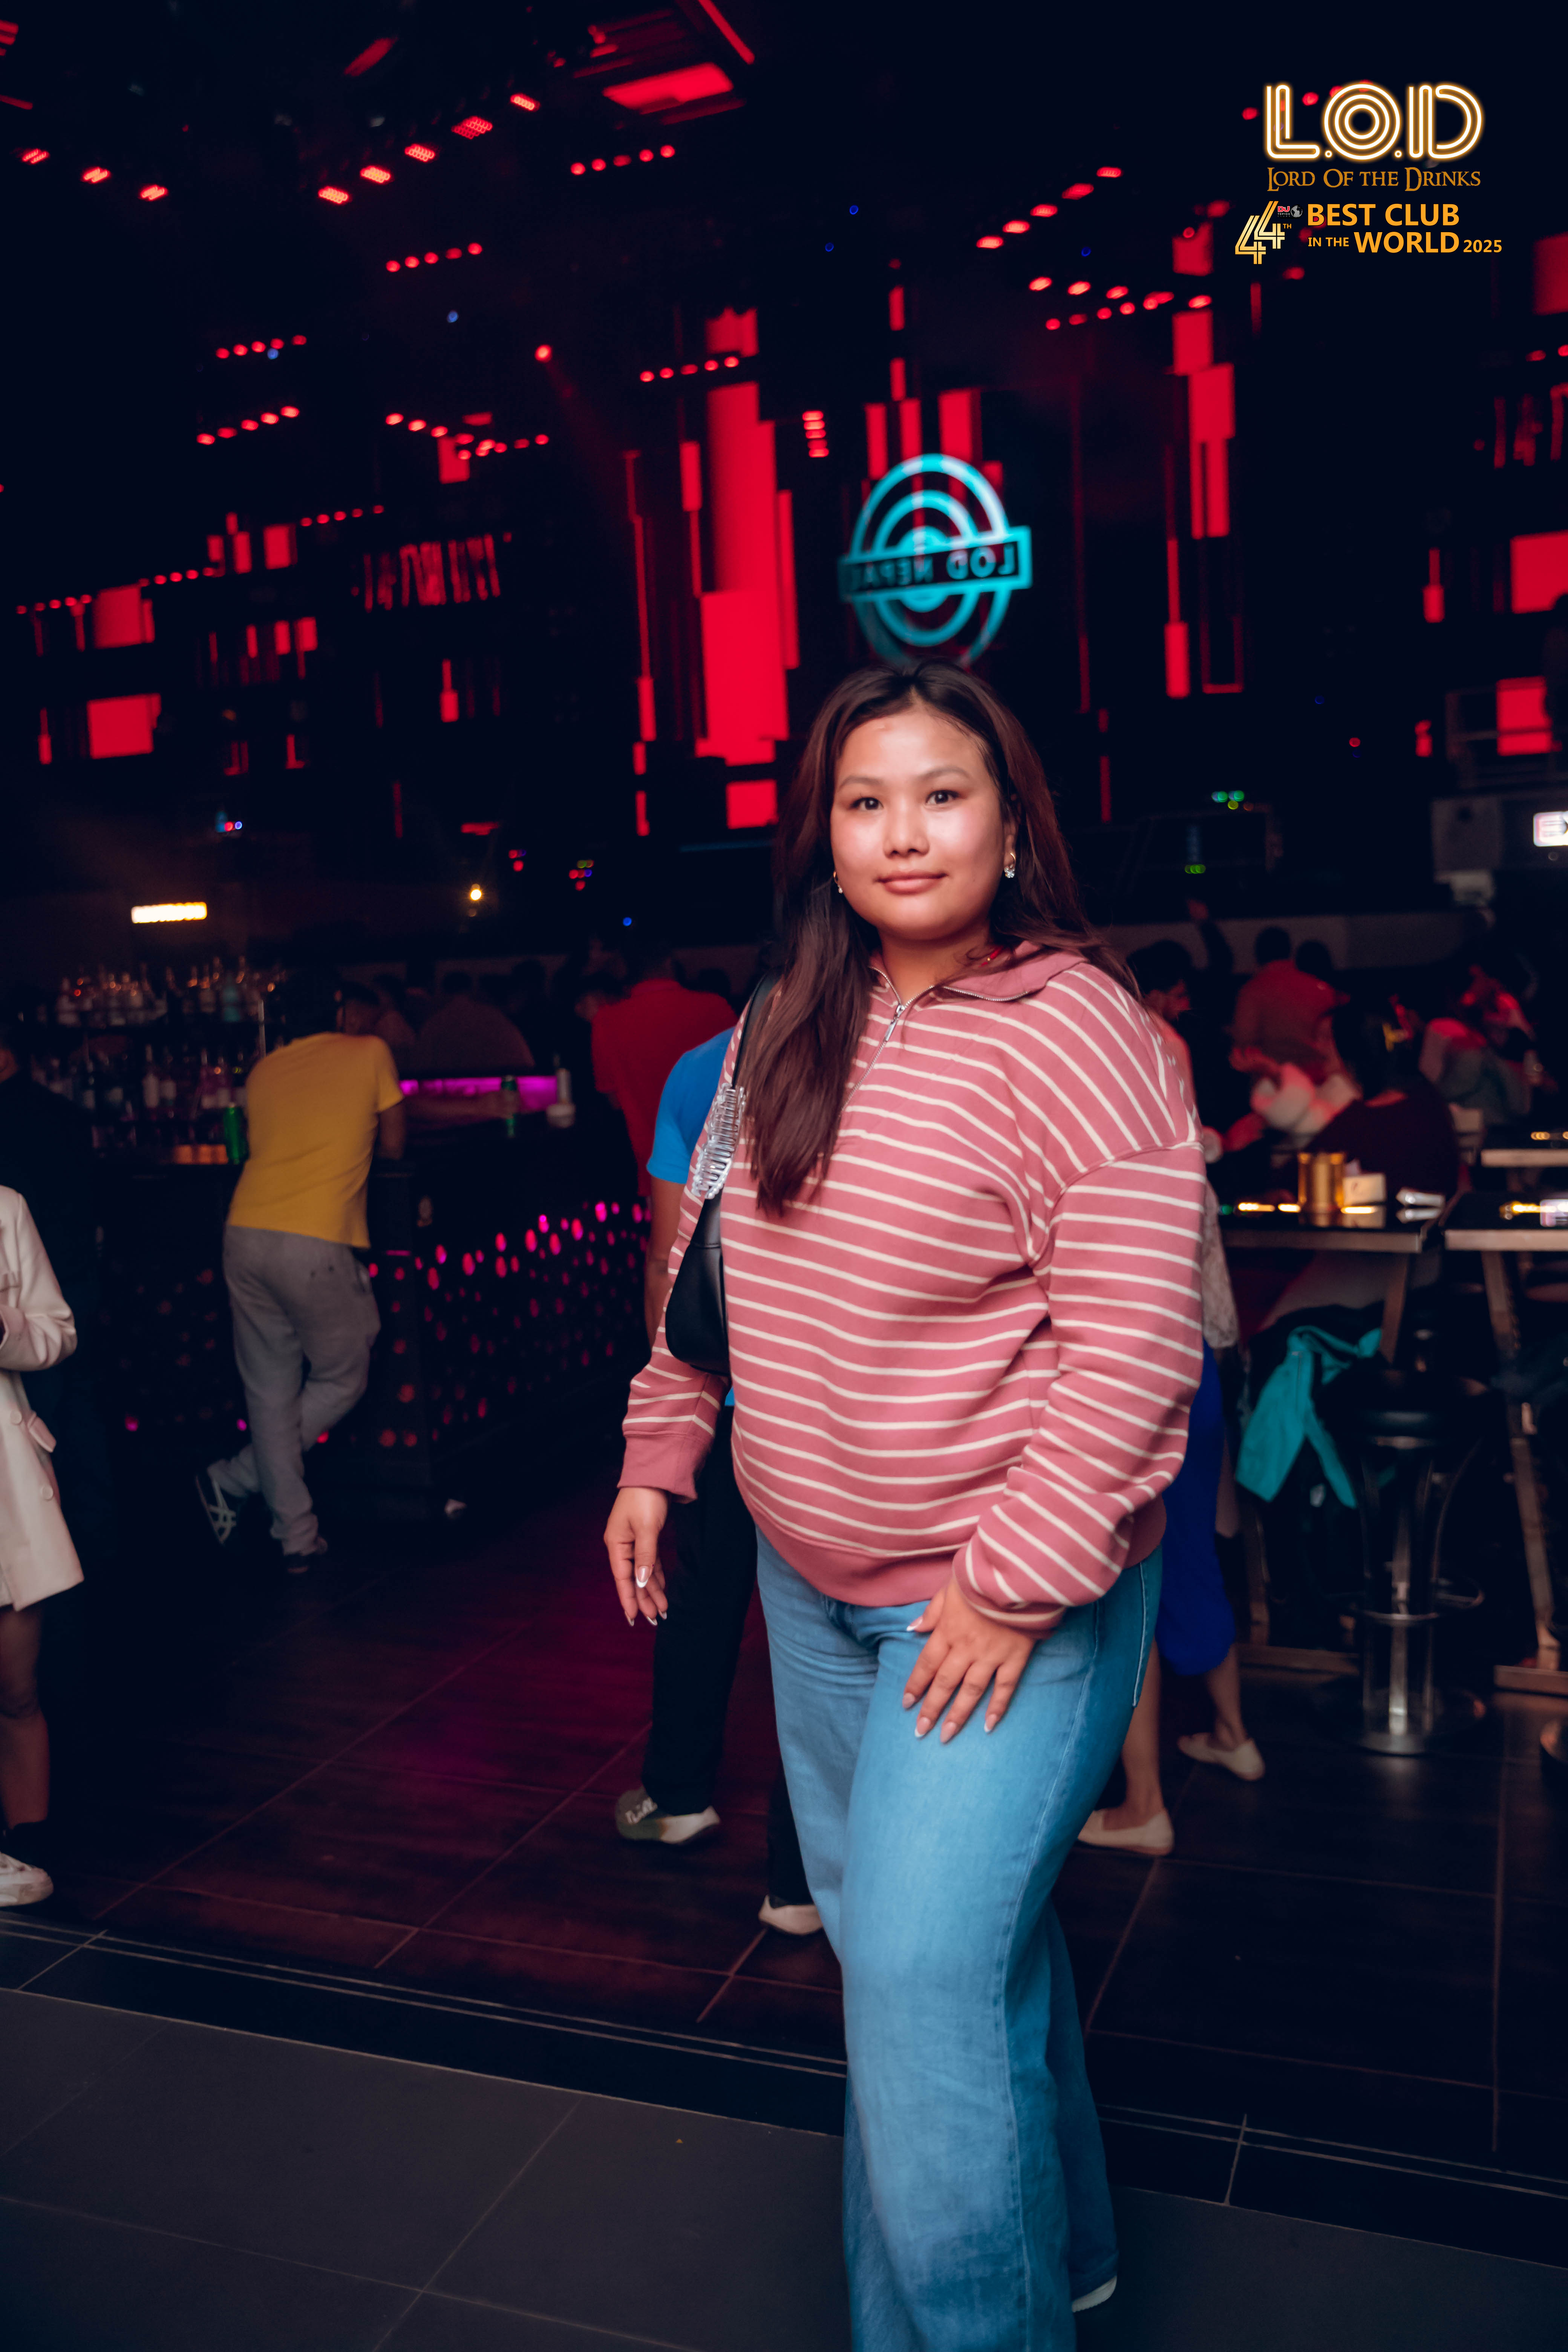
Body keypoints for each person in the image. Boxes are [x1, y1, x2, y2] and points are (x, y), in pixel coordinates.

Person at [606, 662, 1205, 2344]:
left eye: (943, 793)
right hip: (809, 1590)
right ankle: (1068, 2249)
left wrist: (1010, 1584)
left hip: (997, 1601)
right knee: (944, 1956)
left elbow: (1135, 1347)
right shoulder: (781, 1024)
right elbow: (710, 1287)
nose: (904, 832)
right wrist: (661, 1451)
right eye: (865, 801)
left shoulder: (1083, 1031)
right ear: (825, 836)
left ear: (1011, 824)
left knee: (917, 1980)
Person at [614, 1024, 820, 1936]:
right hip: (828, 1413)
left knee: (704, 1602)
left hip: (737, 1397)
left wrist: (675, 1418)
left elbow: (673, 1255)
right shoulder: (880, 1043)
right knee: (818, 1645)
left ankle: (678, 1794)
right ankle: (799, 1881)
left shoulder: (705, 1067)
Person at [195, 969, 405, 1573]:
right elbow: (394, 1145)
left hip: (244, 1231)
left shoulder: (264, 1070)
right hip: (314, 1239)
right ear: (340, 1011)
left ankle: (295, 1536)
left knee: (268, 1391)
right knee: (344, 1373)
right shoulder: (370, 1052)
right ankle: (236, 1477)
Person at [0, 1017, 115, 1570]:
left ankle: (57, 1544)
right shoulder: (66, 1114)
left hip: (29, 1288)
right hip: (74, 1274)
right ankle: (89, 1539)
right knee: (78, 1411)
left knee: (36, 1420)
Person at [0, 1187, 83, 1905]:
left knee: (16, 1689)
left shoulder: (6, 1209)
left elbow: (58, 1331)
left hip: (6, 1489)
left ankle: (28, 1853)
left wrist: (3, 1329)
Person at [590, 940, 733, 1189]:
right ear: (669, 963)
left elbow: (613, 1099)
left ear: (626, 969)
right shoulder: (716, 1007)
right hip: (723, 1164)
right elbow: (745, 1083)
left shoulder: (607, 1021)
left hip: (657, 1168)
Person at [1230, 925, 1338, 1074]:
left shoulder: (1252, 991)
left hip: (1274, 1077)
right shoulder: (1320, 988)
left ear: (1257, 956)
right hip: (1320, 1073)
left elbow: (1244, 1042)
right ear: (1290, 953)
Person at [412, 970, 533, 1074]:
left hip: (447, 1086)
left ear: (442, 992)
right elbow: (524, 1062)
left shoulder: (436, 1023)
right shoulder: (494, 1020)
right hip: (500, 1082)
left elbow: (420, 1064)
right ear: (472, 990)